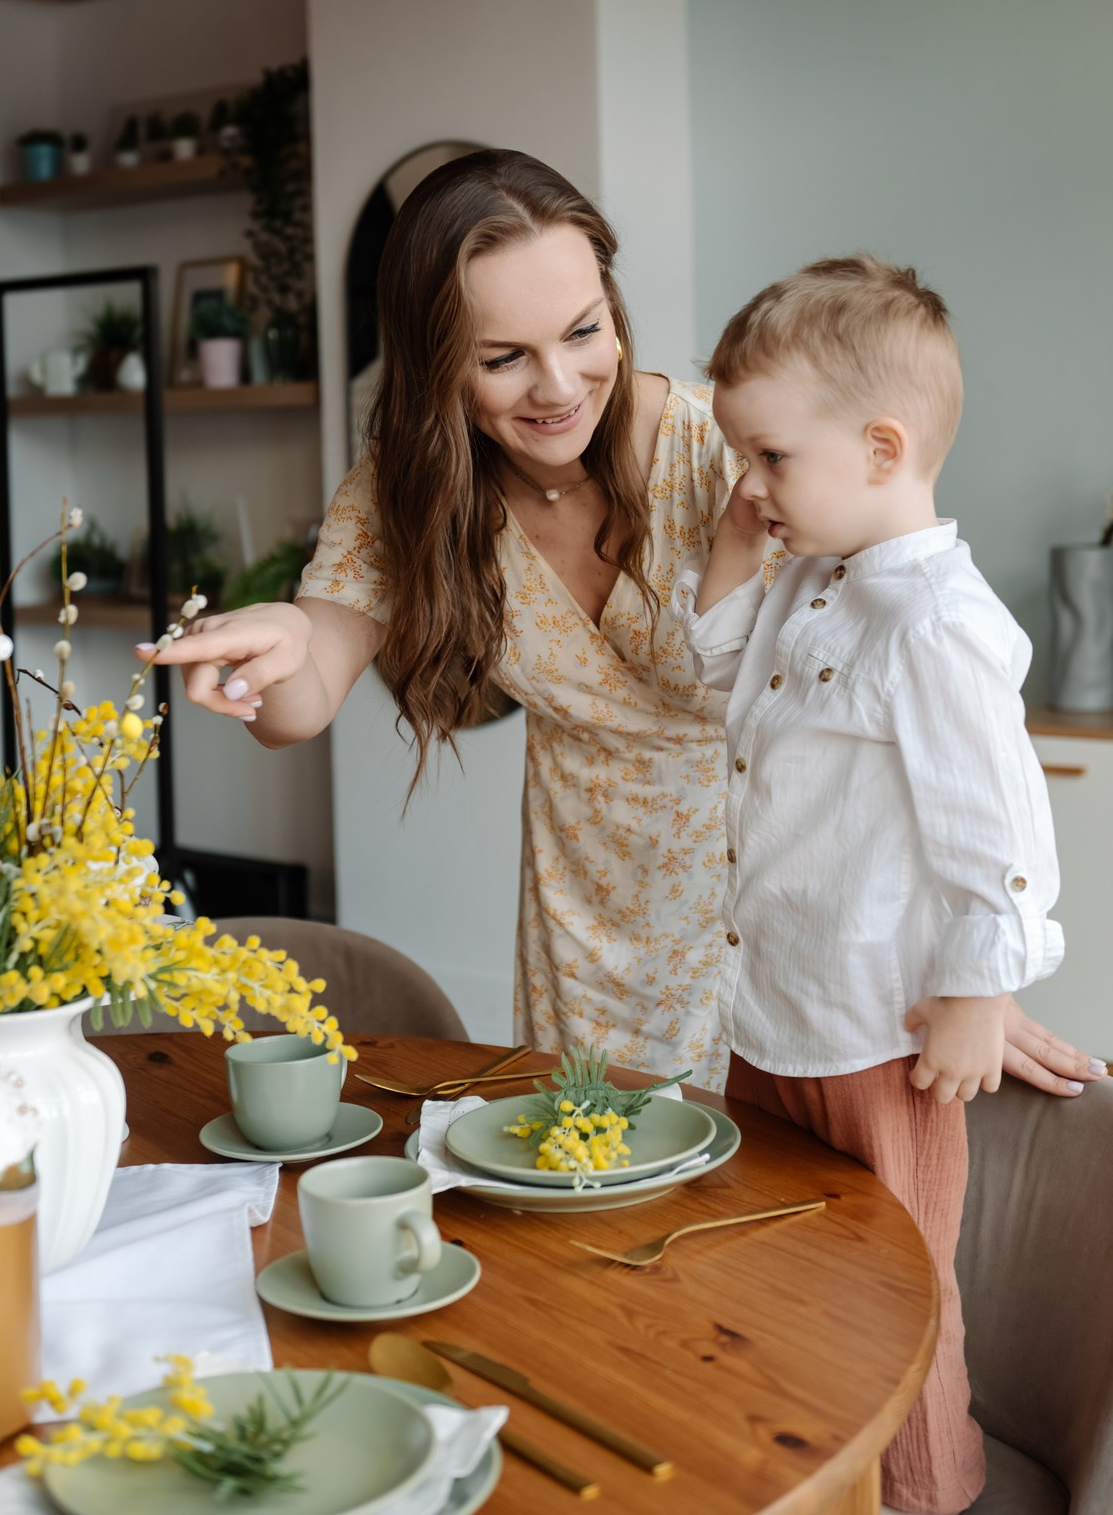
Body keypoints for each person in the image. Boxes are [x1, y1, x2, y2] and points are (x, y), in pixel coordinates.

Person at [140, 149, 1103, 1104]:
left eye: (582, 331)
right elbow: (304, 691)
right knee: (592, 1207)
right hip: (582, 921)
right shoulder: (409, 490)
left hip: (789, 923)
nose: (559, 386)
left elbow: (916, 715)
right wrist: (280, 648)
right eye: (503, 357)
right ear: (437, 367)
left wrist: (959, 972)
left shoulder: (730, 455)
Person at [671, 253, 1064, 1514]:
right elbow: (709, 669)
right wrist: (740, 544)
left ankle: (929, 1495)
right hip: (772, 1011)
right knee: (779, 1269)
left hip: (871, 1038)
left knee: (894, 1297)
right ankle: (810, 1477)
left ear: (883, 447)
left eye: (770, 459)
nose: (750, 484)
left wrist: (973, 991)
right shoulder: (805, 574)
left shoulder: (934, 626)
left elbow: (998, 832)